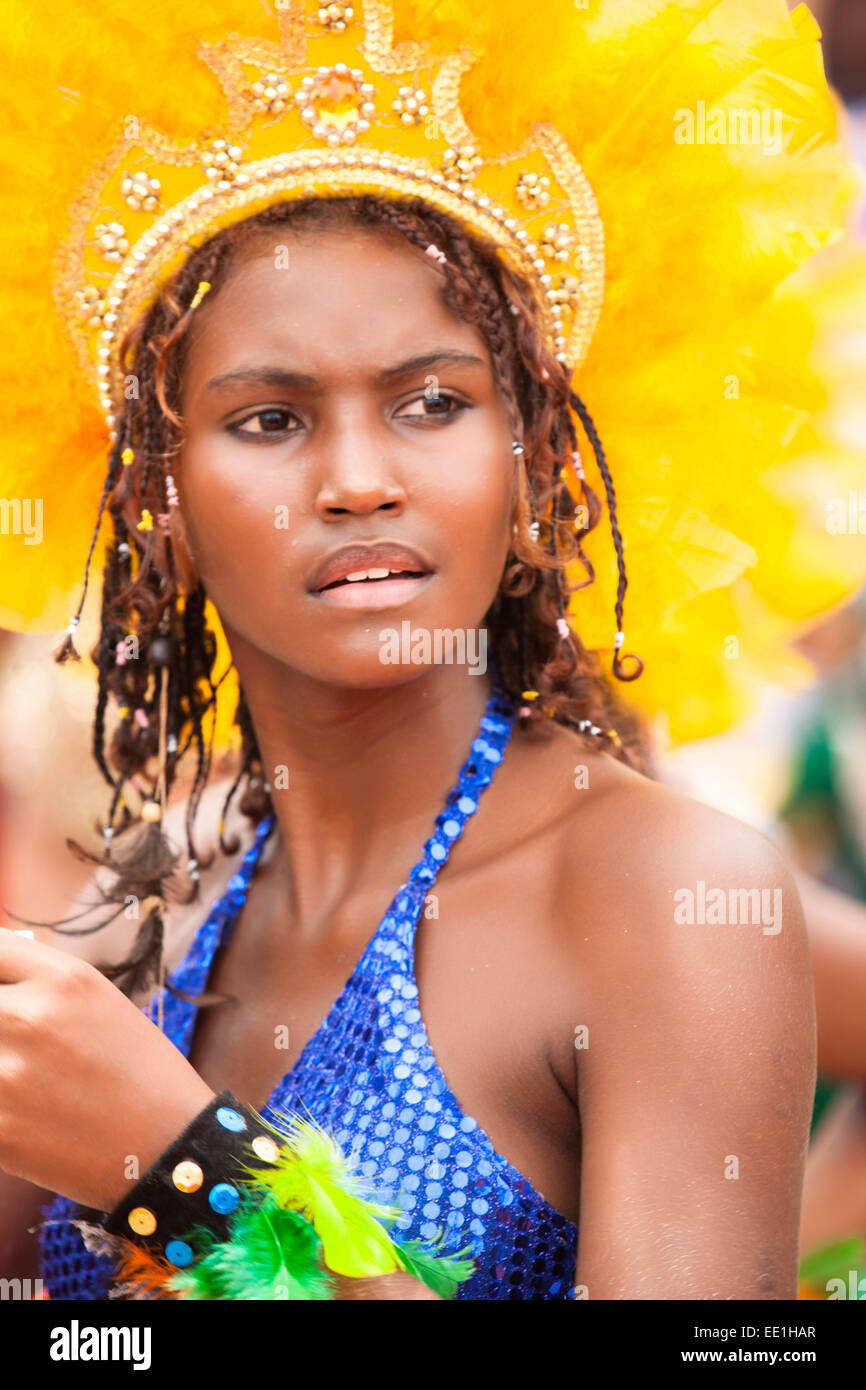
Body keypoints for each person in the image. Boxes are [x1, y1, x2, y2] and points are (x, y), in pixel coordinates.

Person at [0, 0, 862, 1301]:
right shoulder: (157, 888)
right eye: (272, 416)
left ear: (531, 470)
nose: (357, 478)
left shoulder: (657, 892)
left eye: (431, 401)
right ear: (155, 503)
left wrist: (189, 1182)